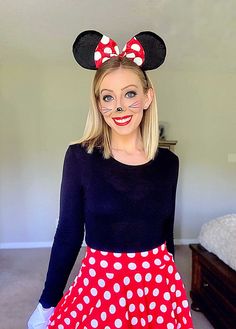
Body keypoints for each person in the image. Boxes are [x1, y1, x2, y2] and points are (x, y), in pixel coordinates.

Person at [28, 30, 194, 329]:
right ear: (99, 104)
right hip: (101, 284)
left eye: (130, 93)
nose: (119, 106)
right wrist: (47, 301)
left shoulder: (169, 163)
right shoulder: (80, 157)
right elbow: (67, 232)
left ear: (147, 96)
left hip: (158, 286)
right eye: (108, 96)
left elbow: (165, 231)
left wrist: (171, 287)